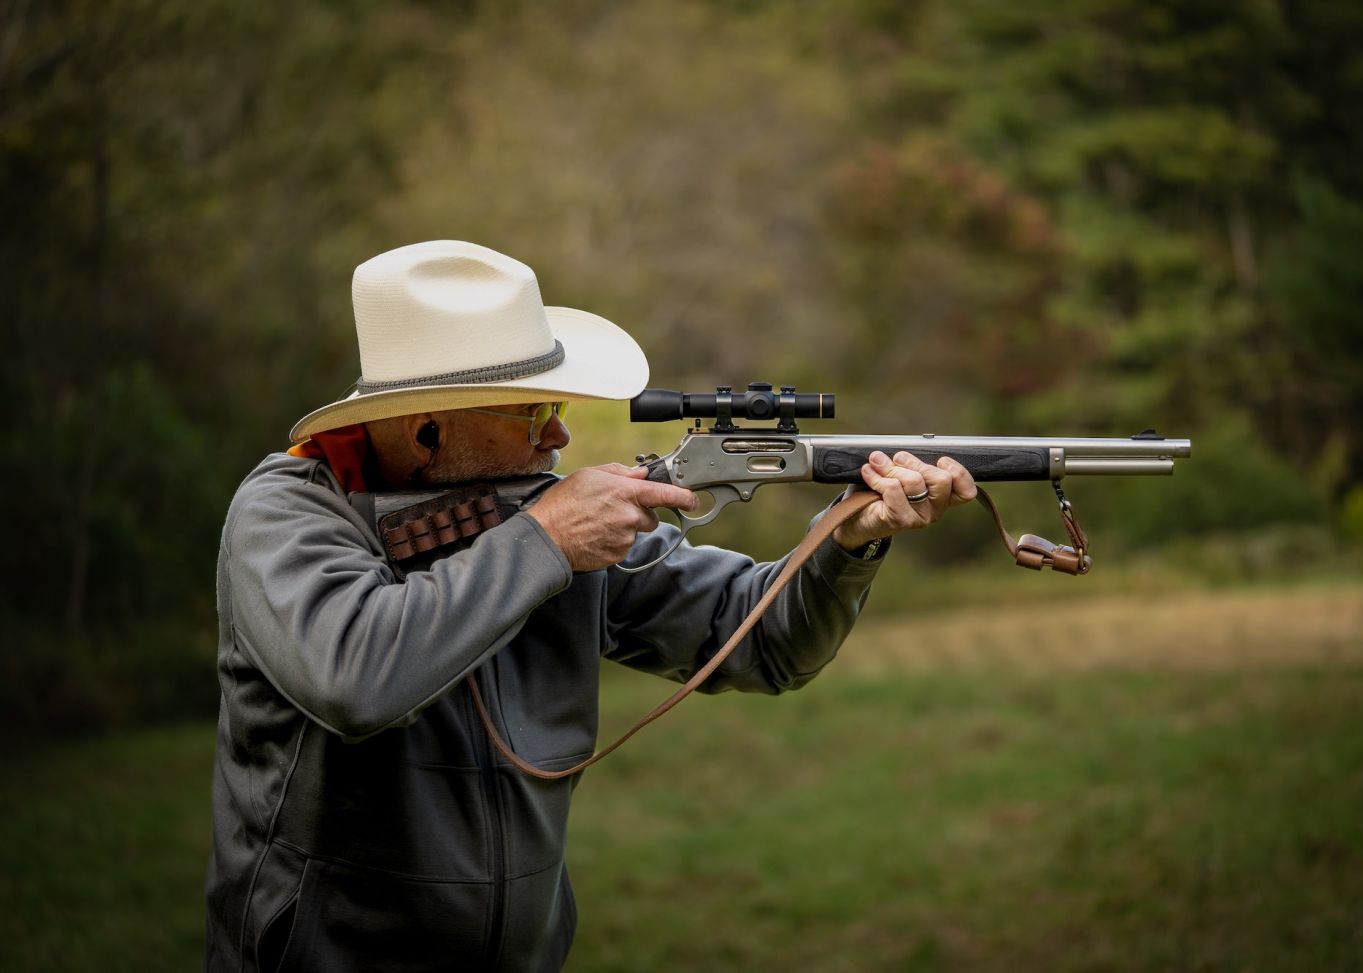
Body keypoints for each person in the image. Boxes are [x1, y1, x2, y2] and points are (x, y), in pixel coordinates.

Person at [204, 240, 976, 971]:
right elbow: (355, 676)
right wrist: (543, 541)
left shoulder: (537, 519)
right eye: (534, 413)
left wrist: (849, 538)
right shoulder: (288, 514)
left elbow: (762, 640)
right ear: (427, 429)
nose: (562, 433)